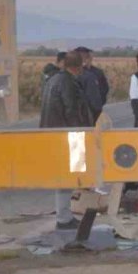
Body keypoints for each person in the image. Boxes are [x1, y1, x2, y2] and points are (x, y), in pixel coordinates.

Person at [39, 51, 93, 230]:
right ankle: (63, 218)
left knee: (62, 178)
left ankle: (64, 214)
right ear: (78, 67)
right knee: (67, 178)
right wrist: (81, 134)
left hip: (51, 135)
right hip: (68, 137)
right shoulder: (68, 83)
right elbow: (71, 111)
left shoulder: (52, 80)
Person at [74, 46, 108, 122]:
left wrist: (99, 102)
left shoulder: (97, 73)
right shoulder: (73, 73)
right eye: (80, 57)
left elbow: (104, 89)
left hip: (93, 110)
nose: (83, 59)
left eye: (85, 57)